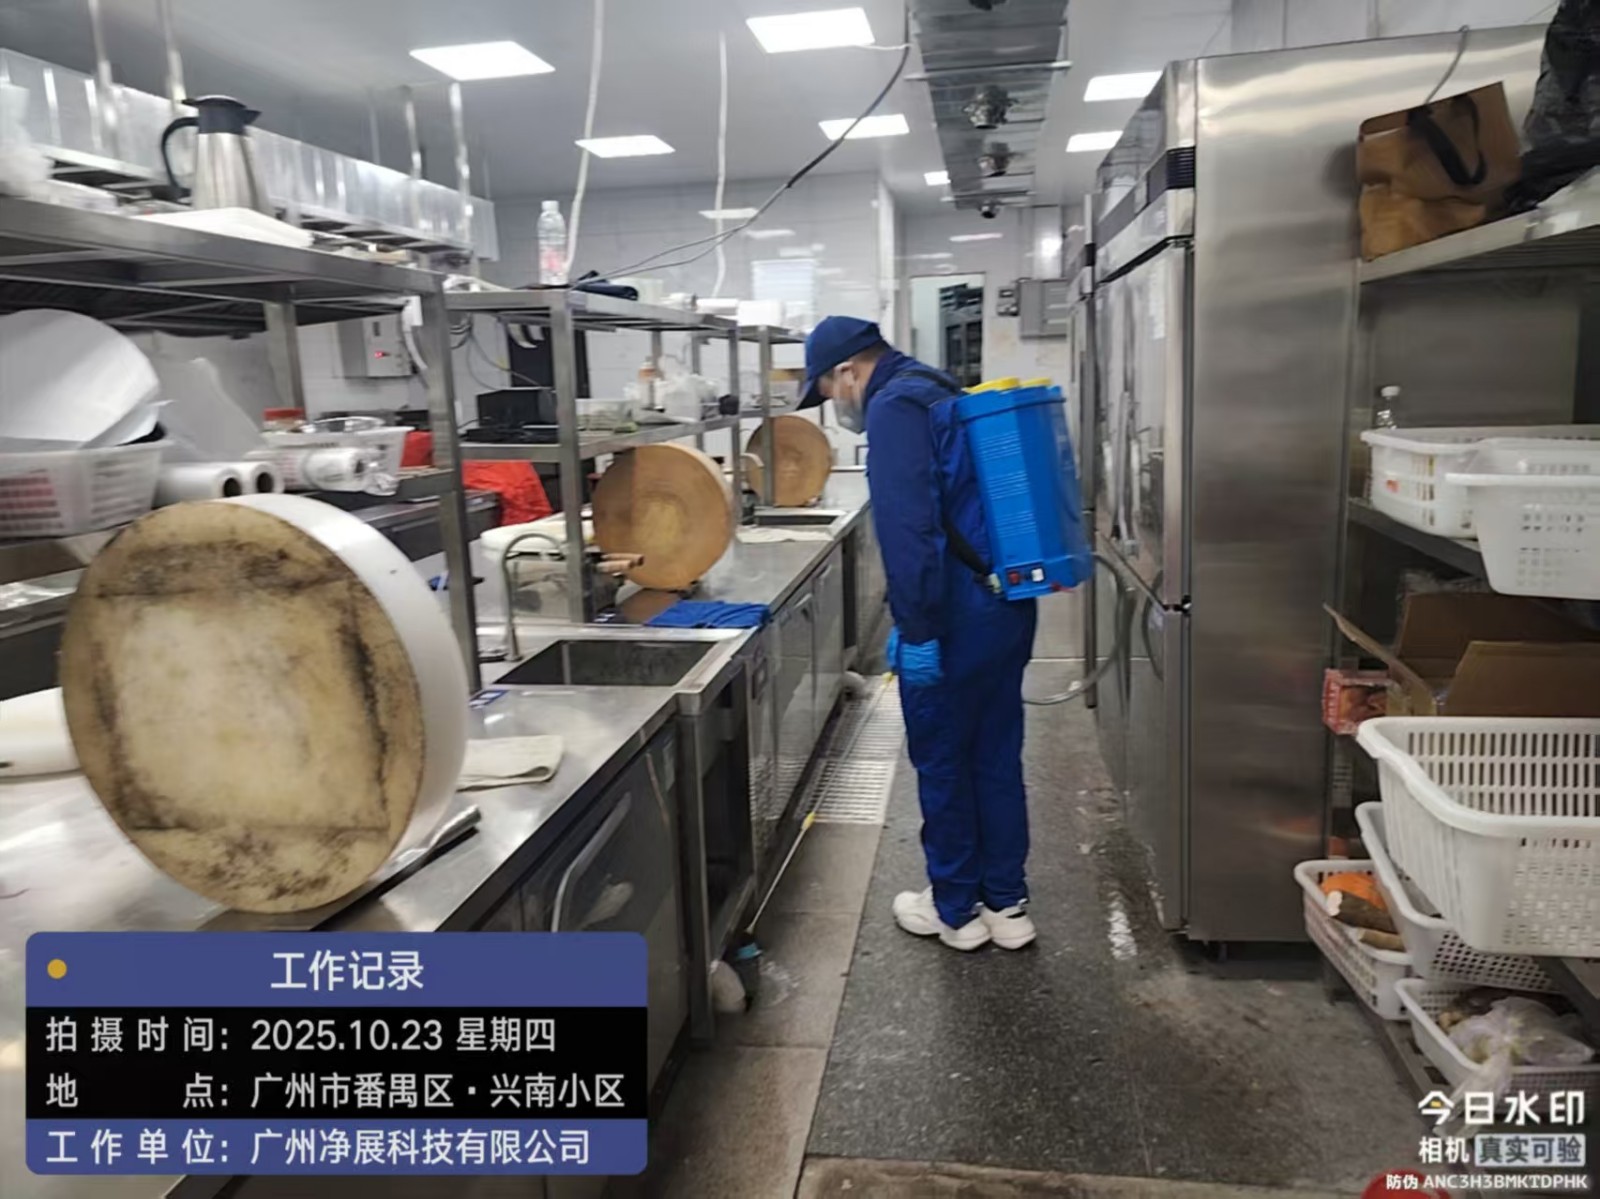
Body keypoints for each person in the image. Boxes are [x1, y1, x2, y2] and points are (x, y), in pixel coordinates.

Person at [798, 316, 1038, 951]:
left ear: (848, 371)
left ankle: (956, 910)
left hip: (954, 616)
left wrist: (919, 628)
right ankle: (1007, 904)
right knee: (995, 755)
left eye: (828, 389)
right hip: (1005, 602)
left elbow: (911, 534)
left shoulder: (894, 410)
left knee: (944, 760)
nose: (834, 403)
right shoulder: (939, 386)